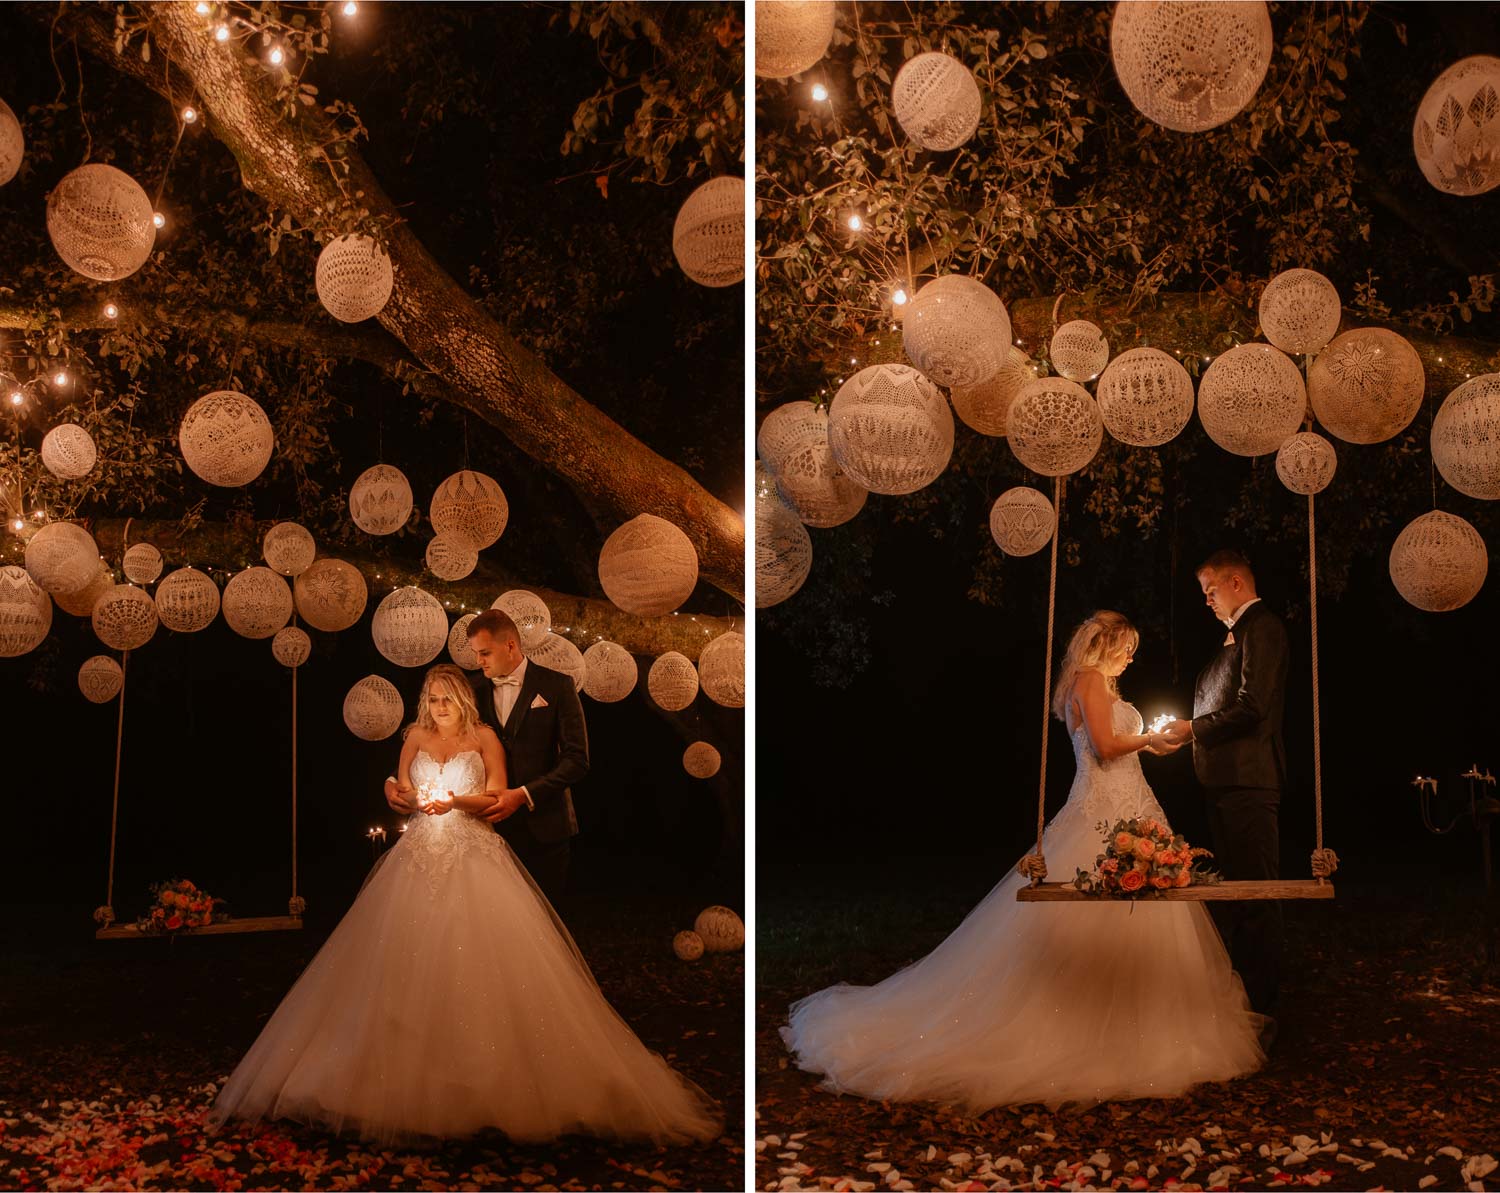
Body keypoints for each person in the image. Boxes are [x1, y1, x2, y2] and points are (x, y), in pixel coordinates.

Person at [211, 664, 719, 1146]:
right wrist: (396, 791)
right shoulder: (414, 736)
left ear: (460, 700)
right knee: (395, 966)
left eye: (445, 700)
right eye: (431, 701)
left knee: (486, 965)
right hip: (417, 854)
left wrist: (454, 802)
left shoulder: (484, 739)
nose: (438, 709)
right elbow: (402, 789)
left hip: (472, 851)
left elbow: (497, 798)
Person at [782, 611, 1264, 1111]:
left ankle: (1143, 1023)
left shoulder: (1103, 686)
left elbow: (1117, 745)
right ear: (1106, 645)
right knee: (1091, 917)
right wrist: (1150, 739)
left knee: (1146, 918)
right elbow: (1103, 747)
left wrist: (1147, 744)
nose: (1132, 656)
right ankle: (1090, 1030)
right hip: (1100, 814)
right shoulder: (1089, 680)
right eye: (1127, 646)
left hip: (1132, 805)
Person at [1164, 549, 1290, 1035]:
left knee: (1257, 896)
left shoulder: (1264, 627)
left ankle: (1263, 1011)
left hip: (1249, 781)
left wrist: (1192, 729)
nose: (1208, 601)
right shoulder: (1236, 634)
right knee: (1237, 897)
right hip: (1225, 783)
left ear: (1236, 582)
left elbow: (1253, 706)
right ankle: (1243, 1004)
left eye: (1211, 591)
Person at [387, 609, 588, 902]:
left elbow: (577, 760)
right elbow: (441, 738)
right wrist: (394, 779)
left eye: (485, 653)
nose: (478, 661)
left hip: (543, 825)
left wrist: (522, 794)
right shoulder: (471, 689)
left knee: (543, 924)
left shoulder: (557, 686)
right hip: (485, 828)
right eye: (476, 654)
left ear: (510, 646)